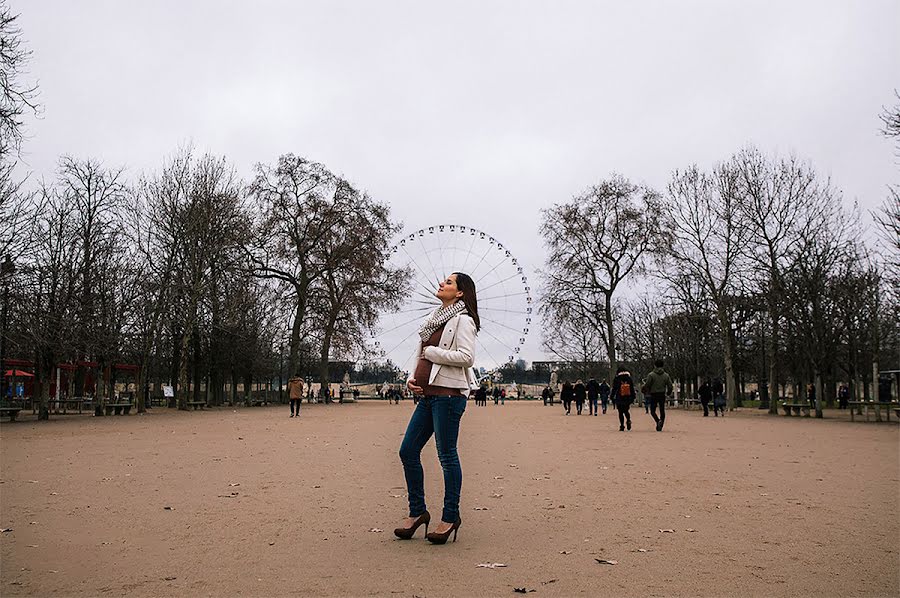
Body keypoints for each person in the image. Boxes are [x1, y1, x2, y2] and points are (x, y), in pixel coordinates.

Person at [396, 272, 479, 544]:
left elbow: (466, 358)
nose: (442, 283)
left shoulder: (463, 321)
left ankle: (450, 516)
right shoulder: (433, 319)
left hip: (448, 397)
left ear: (460, 293)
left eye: (449, 282)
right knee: (407, 450)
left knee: (446, 456)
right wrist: (411, 378)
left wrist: (433, 355)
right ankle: (418, 511)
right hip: (427, 396)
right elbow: (420, 353)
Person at [644, 359, 673, 431]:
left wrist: (646, 391)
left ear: (655, 365)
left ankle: (657, 421)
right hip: (662, 394)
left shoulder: (651, 375)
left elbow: (647, 385)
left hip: (653, 394)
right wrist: (668, 392)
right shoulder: (666, 375)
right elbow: (670, 386)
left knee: (652, 411)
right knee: (662, 410)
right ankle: (661, 423)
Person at [611, 367, 635, 431]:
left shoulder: (617, 379)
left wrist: (612, 396)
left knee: (620, 412)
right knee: (626, 410)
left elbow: (614, 389)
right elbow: (632, 388)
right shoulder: (629, 378)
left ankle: (622, 425)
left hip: (619, 396)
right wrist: (633, 397)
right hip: (627, 397)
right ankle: (628, 420)